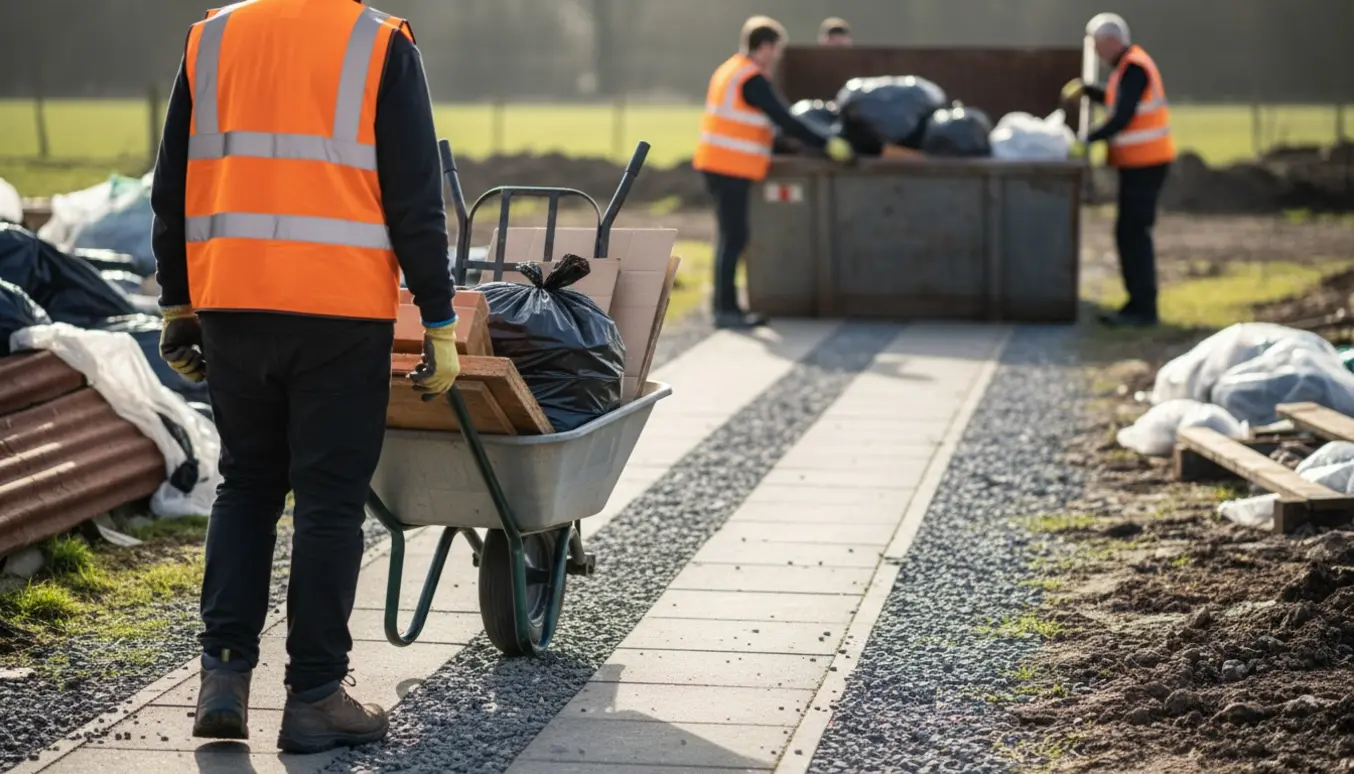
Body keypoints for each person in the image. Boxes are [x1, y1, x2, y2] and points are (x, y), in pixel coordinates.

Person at [150, 0, 461, 754]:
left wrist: (177, 303)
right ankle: (315, 696)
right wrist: (440, 318)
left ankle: (222, 677)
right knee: (328, 502)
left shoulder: (212, 37)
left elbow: (174, 184)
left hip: (233, 304)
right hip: (338, 310)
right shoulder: (379, 41)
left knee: (248, 485)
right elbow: (414, 196)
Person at [693, 15, 854, 329]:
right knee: (734, 237)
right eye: (776, 50)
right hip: (730, 166)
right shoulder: (751, 78)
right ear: (764, 47)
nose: (777, 57)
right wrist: (827, 144)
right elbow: (785, 118)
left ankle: (724, 306)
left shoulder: (729, 70)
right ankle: (726, 310)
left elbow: (757, 122)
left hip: (718, 163)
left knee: (729, 237)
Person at [1062, 12, 1176, 328]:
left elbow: (1122, 117)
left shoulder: (1134, 68)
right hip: (1138, 165)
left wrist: (1088, 138)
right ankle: (1135, 305)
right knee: (1128, 234)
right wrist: (1089, 90)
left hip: (1146, 164)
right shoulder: (1126, 68)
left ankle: (1143, 311)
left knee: (1133, 235)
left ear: (1112, 41)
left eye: (1099, 46)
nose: (1097, 53)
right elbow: (1117, 101)